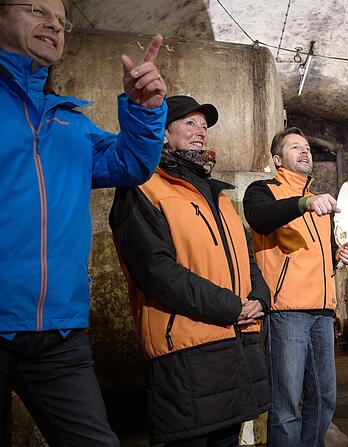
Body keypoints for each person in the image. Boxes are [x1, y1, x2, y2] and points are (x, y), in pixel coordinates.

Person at [0, 0, 167, 444]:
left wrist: (144, 111)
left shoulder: (68, 122)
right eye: (38, 9)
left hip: (58, 331)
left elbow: (129, 163)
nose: (54, 25)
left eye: (62, 21)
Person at [109, 96, 270, 446]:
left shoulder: (219, 196)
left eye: (204, 126)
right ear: (164, 134)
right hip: (185, 350)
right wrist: (231, 306)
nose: (201, 132)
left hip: (235, 344)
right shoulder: (142, 187)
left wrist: (260, 297)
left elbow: (246, 257)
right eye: (189, 123)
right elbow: (156, 271)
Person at [243, 127, 348, 447]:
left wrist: (337, 255)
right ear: (278, 159)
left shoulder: (320, 205)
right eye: (295, 147)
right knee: (287, 406)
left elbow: (314, 255)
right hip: (287, 311)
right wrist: (304, 202)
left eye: (307, 147)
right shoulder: (263, 190)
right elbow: (261, 219)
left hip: (322, 312)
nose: (305, 151)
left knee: (324, 400)